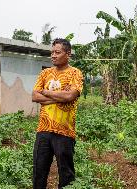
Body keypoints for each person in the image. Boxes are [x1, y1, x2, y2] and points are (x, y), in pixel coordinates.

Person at [32, 38, 83, 189]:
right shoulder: (45, 73)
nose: (53, 55)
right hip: (43, 130)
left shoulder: (75, 73)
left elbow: (70, 96)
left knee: (66, 175)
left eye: (57, 52)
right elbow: (34, 96)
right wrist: (60, 97)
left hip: (65, 132)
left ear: (68, 54)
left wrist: (47, 93)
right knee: (39, 172)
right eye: (52, 52)